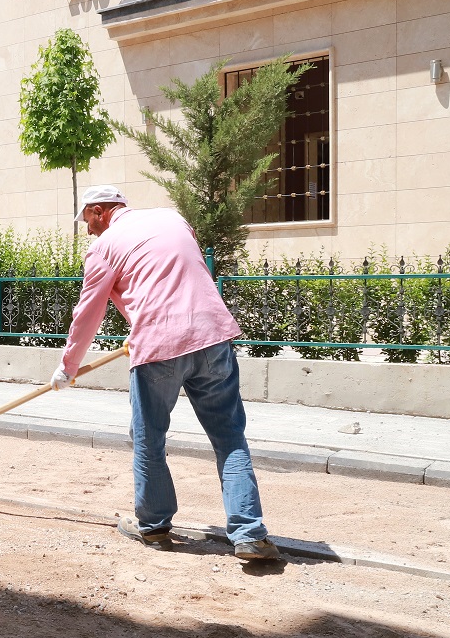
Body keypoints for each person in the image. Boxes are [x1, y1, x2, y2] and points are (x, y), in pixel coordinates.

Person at [51, 184, 282, 563]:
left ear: (98, 211)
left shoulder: (103, 247)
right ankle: (250, 535)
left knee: (148, 437)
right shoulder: (172, 218)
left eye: (87, 220)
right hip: (212, 336)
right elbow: (181, 276)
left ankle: (155, 526)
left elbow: (88, 312)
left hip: (159, 347)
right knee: (229, 436)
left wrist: (68, 367)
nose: (88, 230)